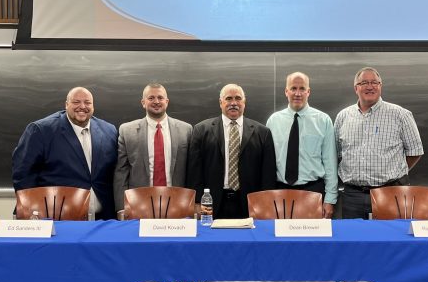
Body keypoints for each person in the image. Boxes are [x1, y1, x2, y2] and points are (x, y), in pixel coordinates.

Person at [12, 87, 118, 219]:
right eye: (76, 102)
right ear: (66, 104)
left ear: (93, 106)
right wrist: (31, 209)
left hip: (104, 218)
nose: (82, 106)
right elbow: (23, 173)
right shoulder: (41, 130)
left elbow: (116, 172)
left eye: (87, 102)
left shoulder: (109, 130)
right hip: (57, 218)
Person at [334, 67, 424, 219]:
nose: (370, 86)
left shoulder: (400, 115)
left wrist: (393, 174)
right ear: (356, 88)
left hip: (390, 193)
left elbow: (415, 152)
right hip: (352, 196)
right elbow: (336, 153)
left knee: (391, 239)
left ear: (380, 86)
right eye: (364, 83)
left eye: (374, 82)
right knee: (355, 239)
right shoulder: (343, 116)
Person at [187, 84, 276, 219]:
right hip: (212, 202)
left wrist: (265, 202)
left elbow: (268, 174)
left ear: (244, 102)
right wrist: (198, 201)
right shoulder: (201, 130)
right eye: (228, 98)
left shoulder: (262, 133)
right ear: (220, 102)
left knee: (249, 240)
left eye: (238, 98)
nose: (233, 103)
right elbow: (195, 171)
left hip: (249, 203)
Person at [266, 72, 338, 219]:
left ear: (308, 92)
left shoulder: (323, 120)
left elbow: (330, 163)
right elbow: (266, 162)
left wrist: (330, 199)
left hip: (313, 192)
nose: (297, 93)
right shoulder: (273, 121)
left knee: (312, 240)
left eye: (302, 88)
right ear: (286, 91)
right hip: (280, 192)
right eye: (293, 88)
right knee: (279, 240)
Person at [113, 83, 192, 211]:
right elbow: (121, 172)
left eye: (160, 98)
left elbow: (192, 170)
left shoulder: (186, 130)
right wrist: (122, 208)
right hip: (138, 204)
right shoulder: (127, 131)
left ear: (167, 102)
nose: (156, 101)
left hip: (177, 203)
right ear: (143, 102)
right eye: (151, 98)